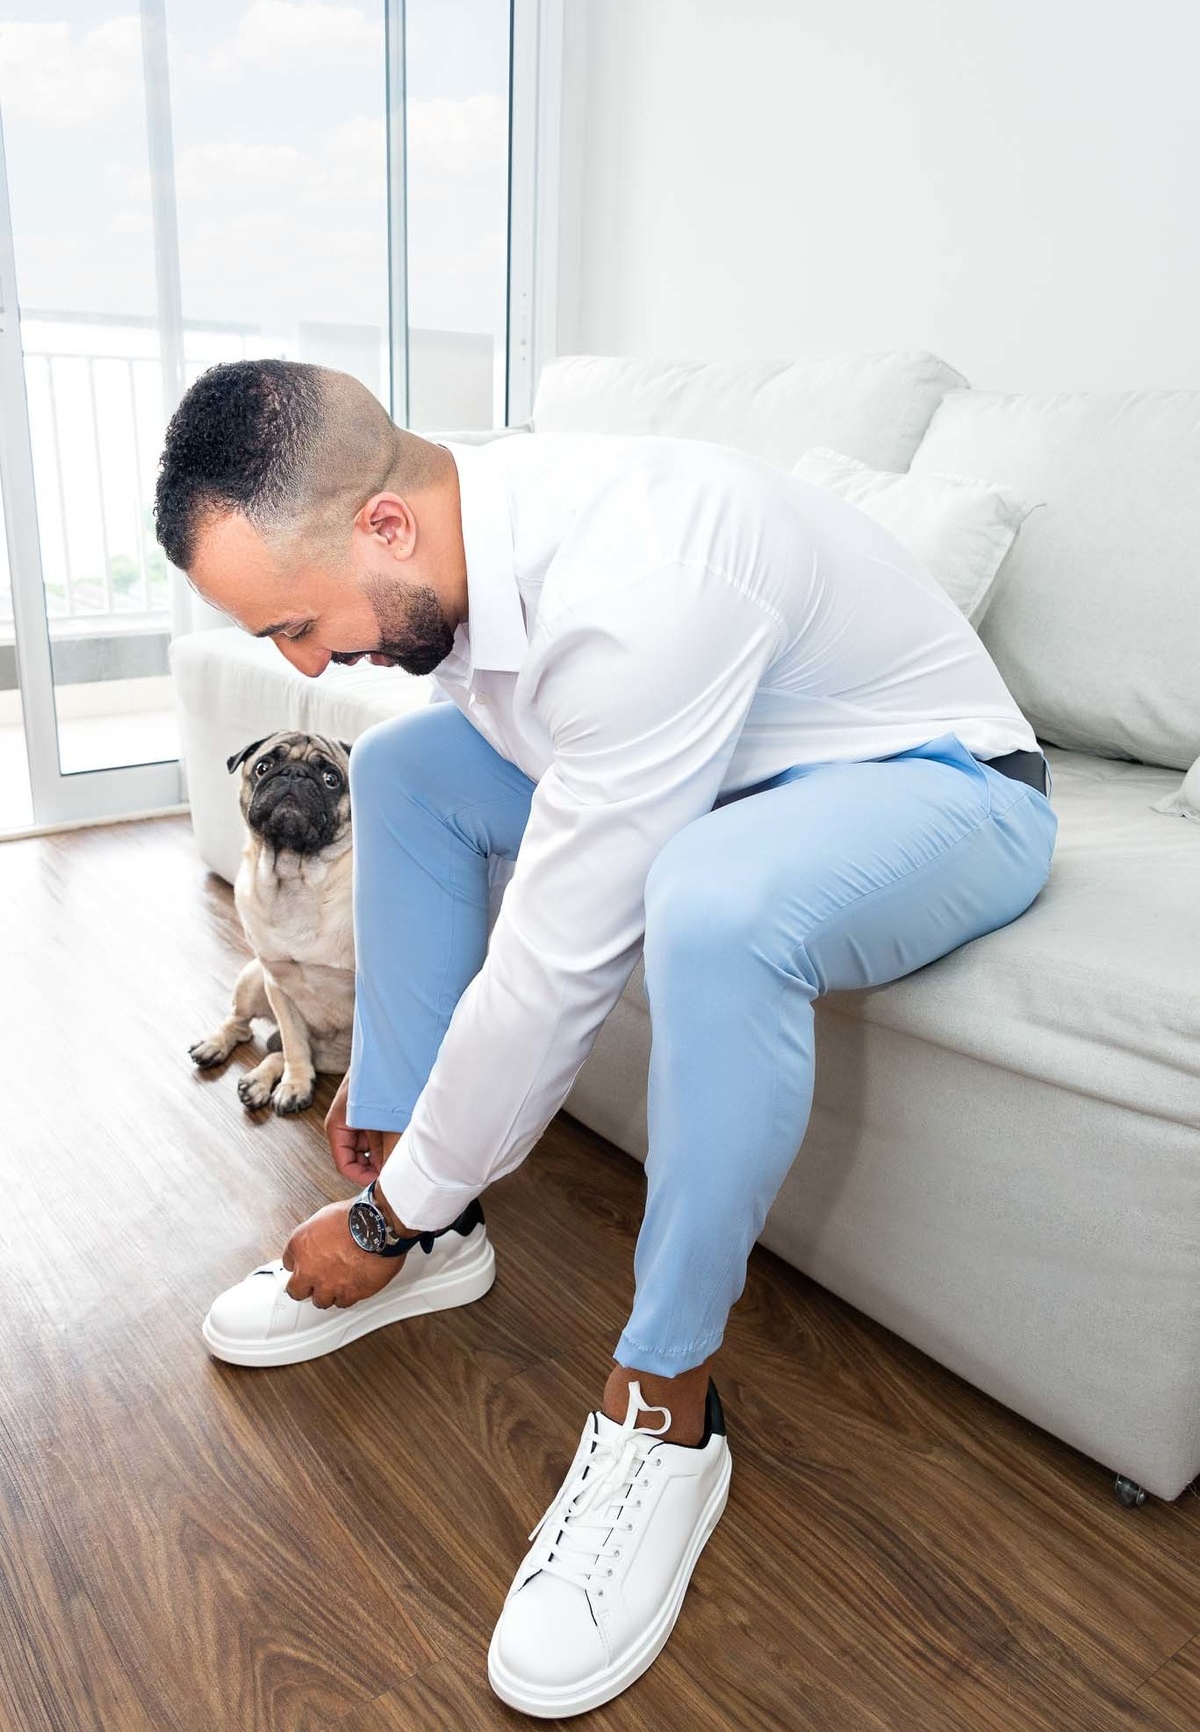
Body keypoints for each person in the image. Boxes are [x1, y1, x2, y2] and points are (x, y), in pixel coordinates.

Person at [154, 359, 1057, 1719]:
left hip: (941, 784)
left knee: (705, 904)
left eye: (293, 621)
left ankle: (665, 1407)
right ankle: (430, 1228)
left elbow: (549, 974)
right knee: (399, 768)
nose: (299, 662)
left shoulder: (640, 591)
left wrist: (382, 1216)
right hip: (747, 754)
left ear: (385, 528)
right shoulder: (462, 549)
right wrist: (415, 1167)